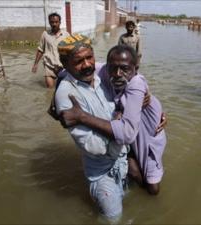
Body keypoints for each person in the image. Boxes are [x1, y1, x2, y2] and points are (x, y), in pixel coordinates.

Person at [60, 45, 167, 195]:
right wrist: (57, 93)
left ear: (136, 68)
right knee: (135, 170)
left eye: (124, 69)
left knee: (153, 189)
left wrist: (82, 117)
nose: (117, 74)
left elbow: (127, 133)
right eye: (113, 68)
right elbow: (72, 68)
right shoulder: (105, 70)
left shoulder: (136, 84)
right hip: (131, 130)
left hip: (148, 135)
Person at [55, 34, 129, 222]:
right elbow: (94, 146)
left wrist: (152, 107)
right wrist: (122, 129)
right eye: (78, 61)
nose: (87, 64)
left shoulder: (101, 76)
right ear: (65, 63)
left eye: (90, 57)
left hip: (123, 162)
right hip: (101, 172)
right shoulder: (66, 95)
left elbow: (134, 77)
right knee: (113, 218)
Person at [31, 12, 70, 88]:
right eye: (52, 22)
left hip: (62, 67)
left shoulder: (66, 35)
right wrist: (35, 64)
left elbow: (71, 51)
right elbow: (40, 50)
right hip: (49, 66)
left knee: (62, 88)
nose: (54, 24)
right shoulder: (45, 34)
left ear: (60, 22)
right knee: (50, 88)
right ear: (49, 22)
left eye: (56, 22)